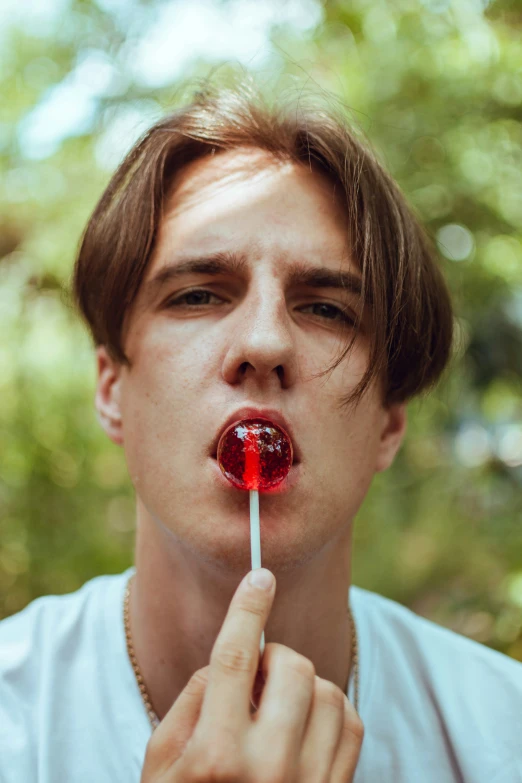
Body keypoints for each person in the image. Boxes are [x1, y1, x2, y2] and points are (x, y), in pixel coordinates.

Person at [1, 81, 521, 783]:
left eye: (328, 308)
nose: (265, 340)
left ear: (388, 422)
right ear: (111, 387)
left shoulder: (501, 735)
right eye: (198, 294)